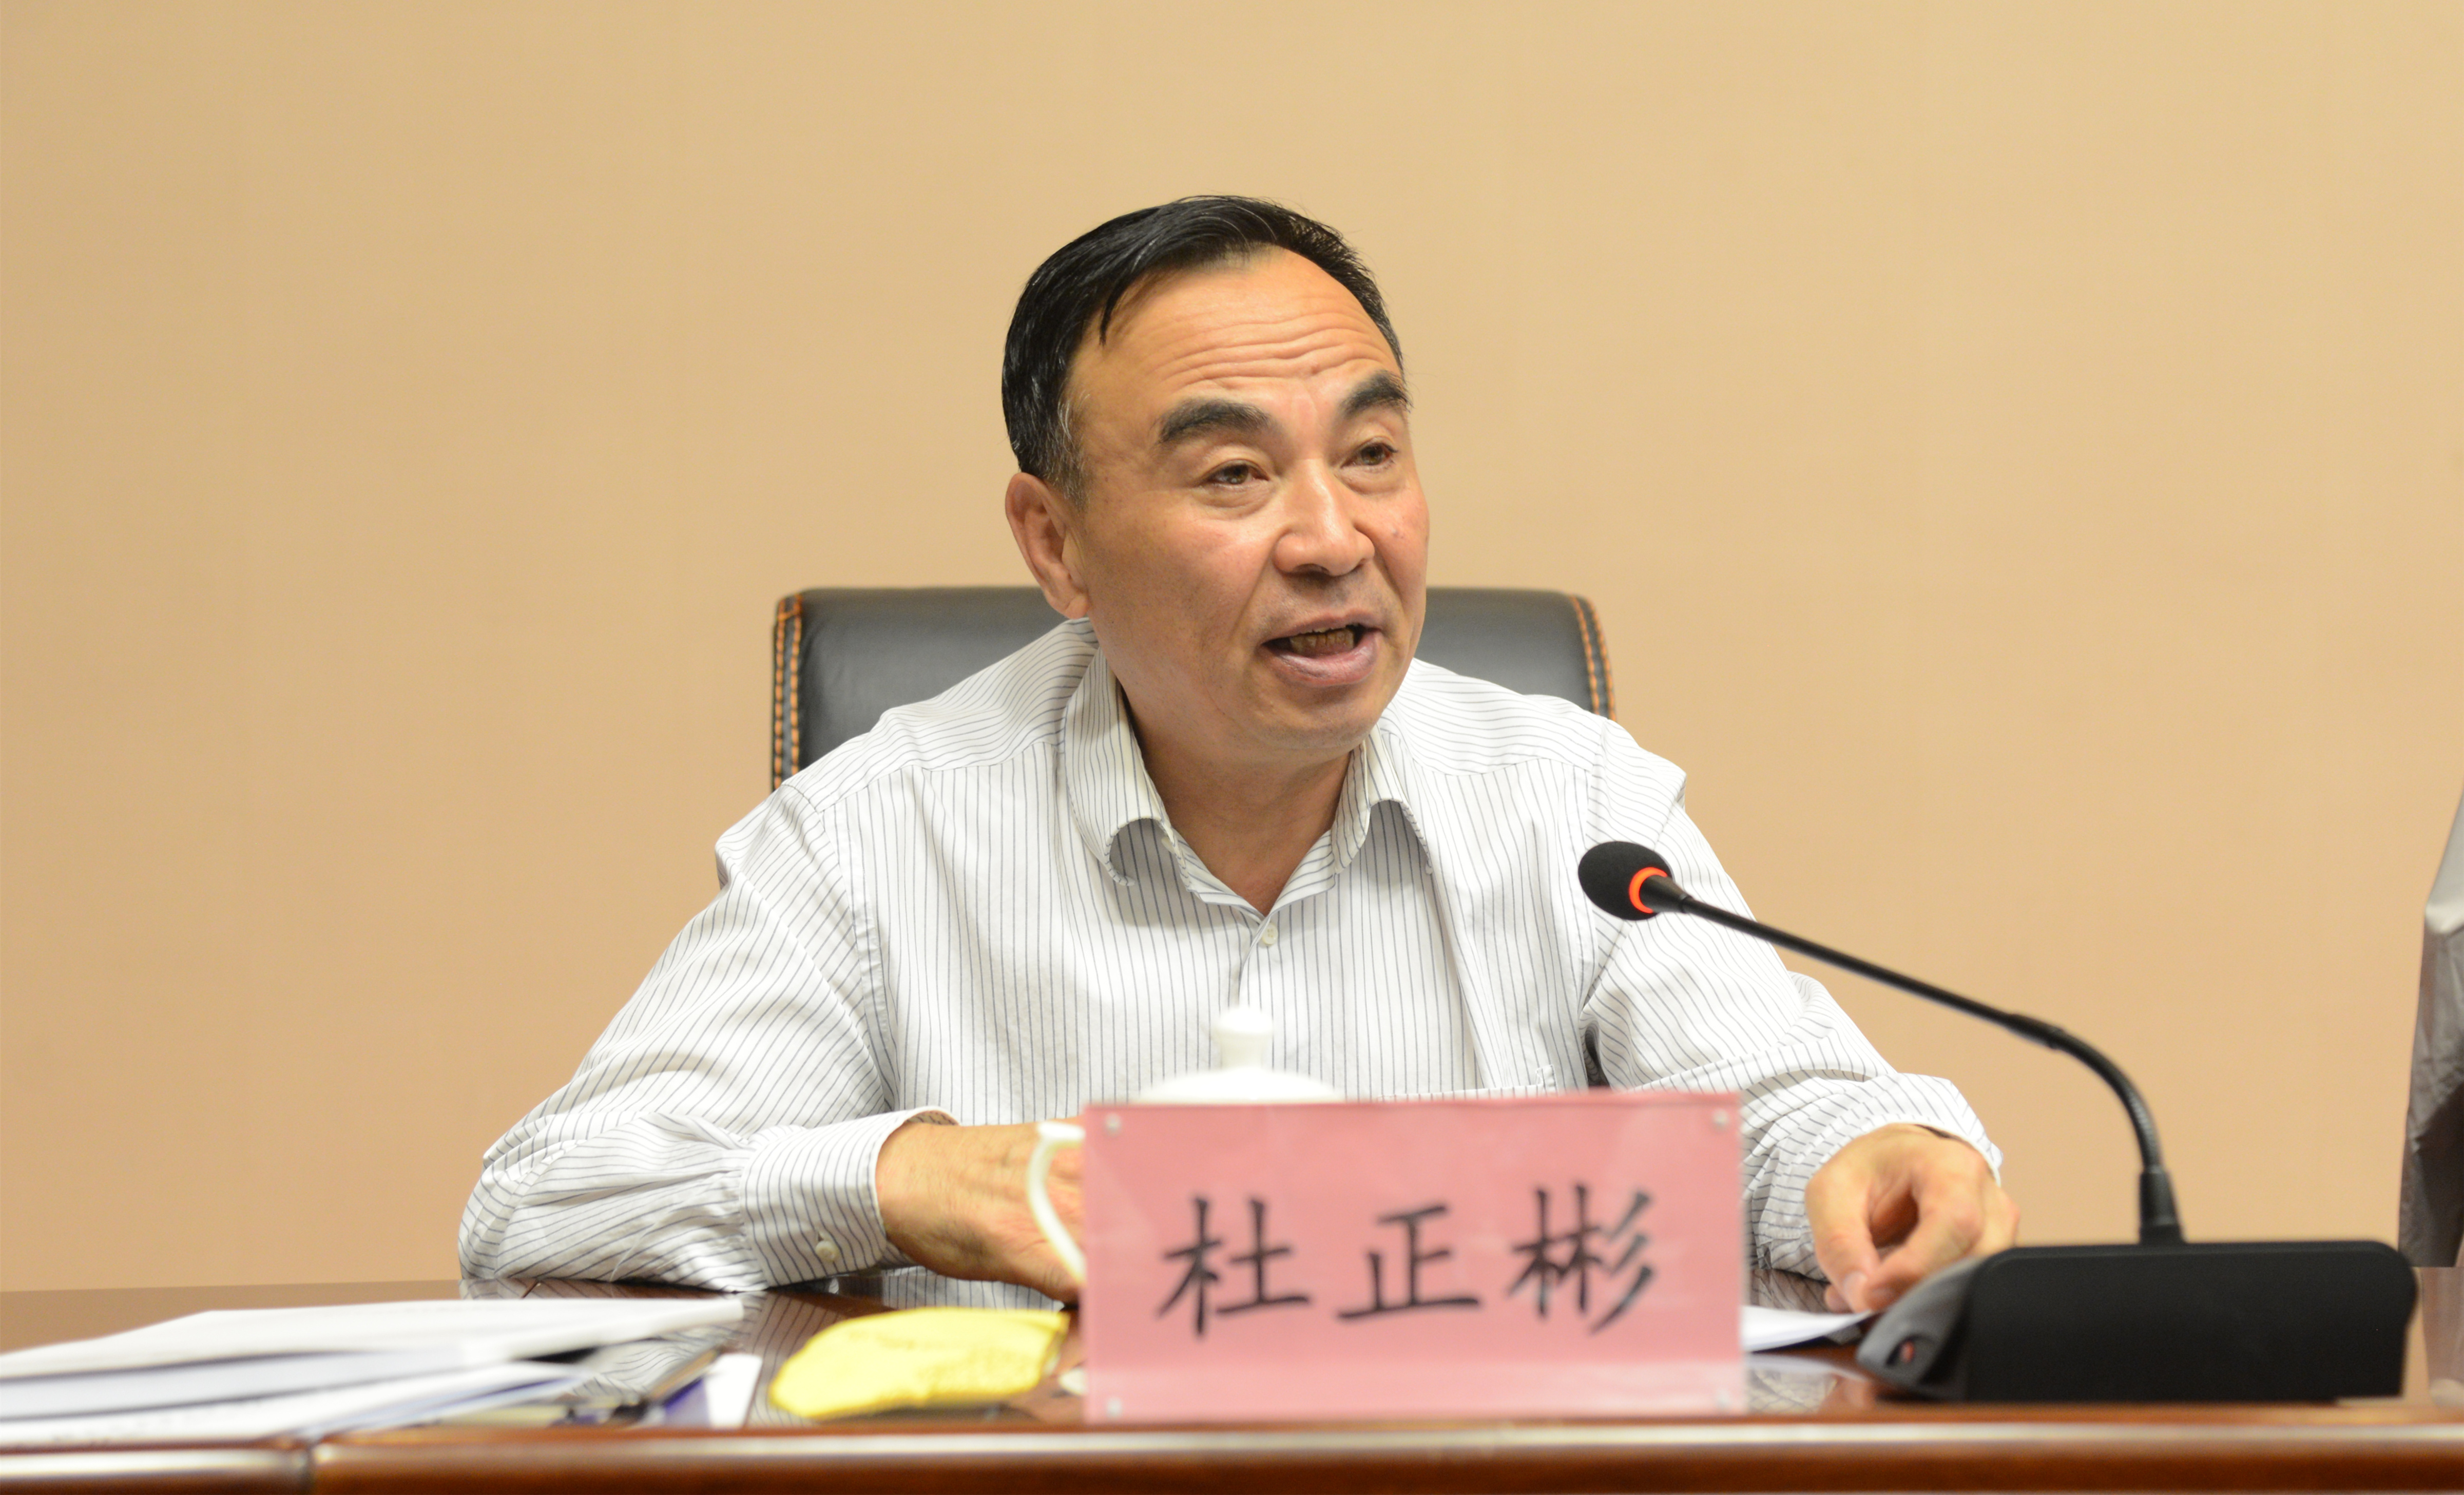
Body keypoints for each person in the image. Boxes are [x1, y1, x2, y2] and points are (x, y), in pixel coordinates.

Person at [460, 197, 2016, 1314]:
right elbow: (543, 1205)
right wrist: (911, 1183)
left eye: (1372, 454)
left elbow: (1788, 1113)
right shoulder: (880, 833)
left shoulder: (1572, 804)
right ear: (1055, 543)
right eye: (1232, 475)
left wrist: (1880, 1160)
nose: (1334, 538)